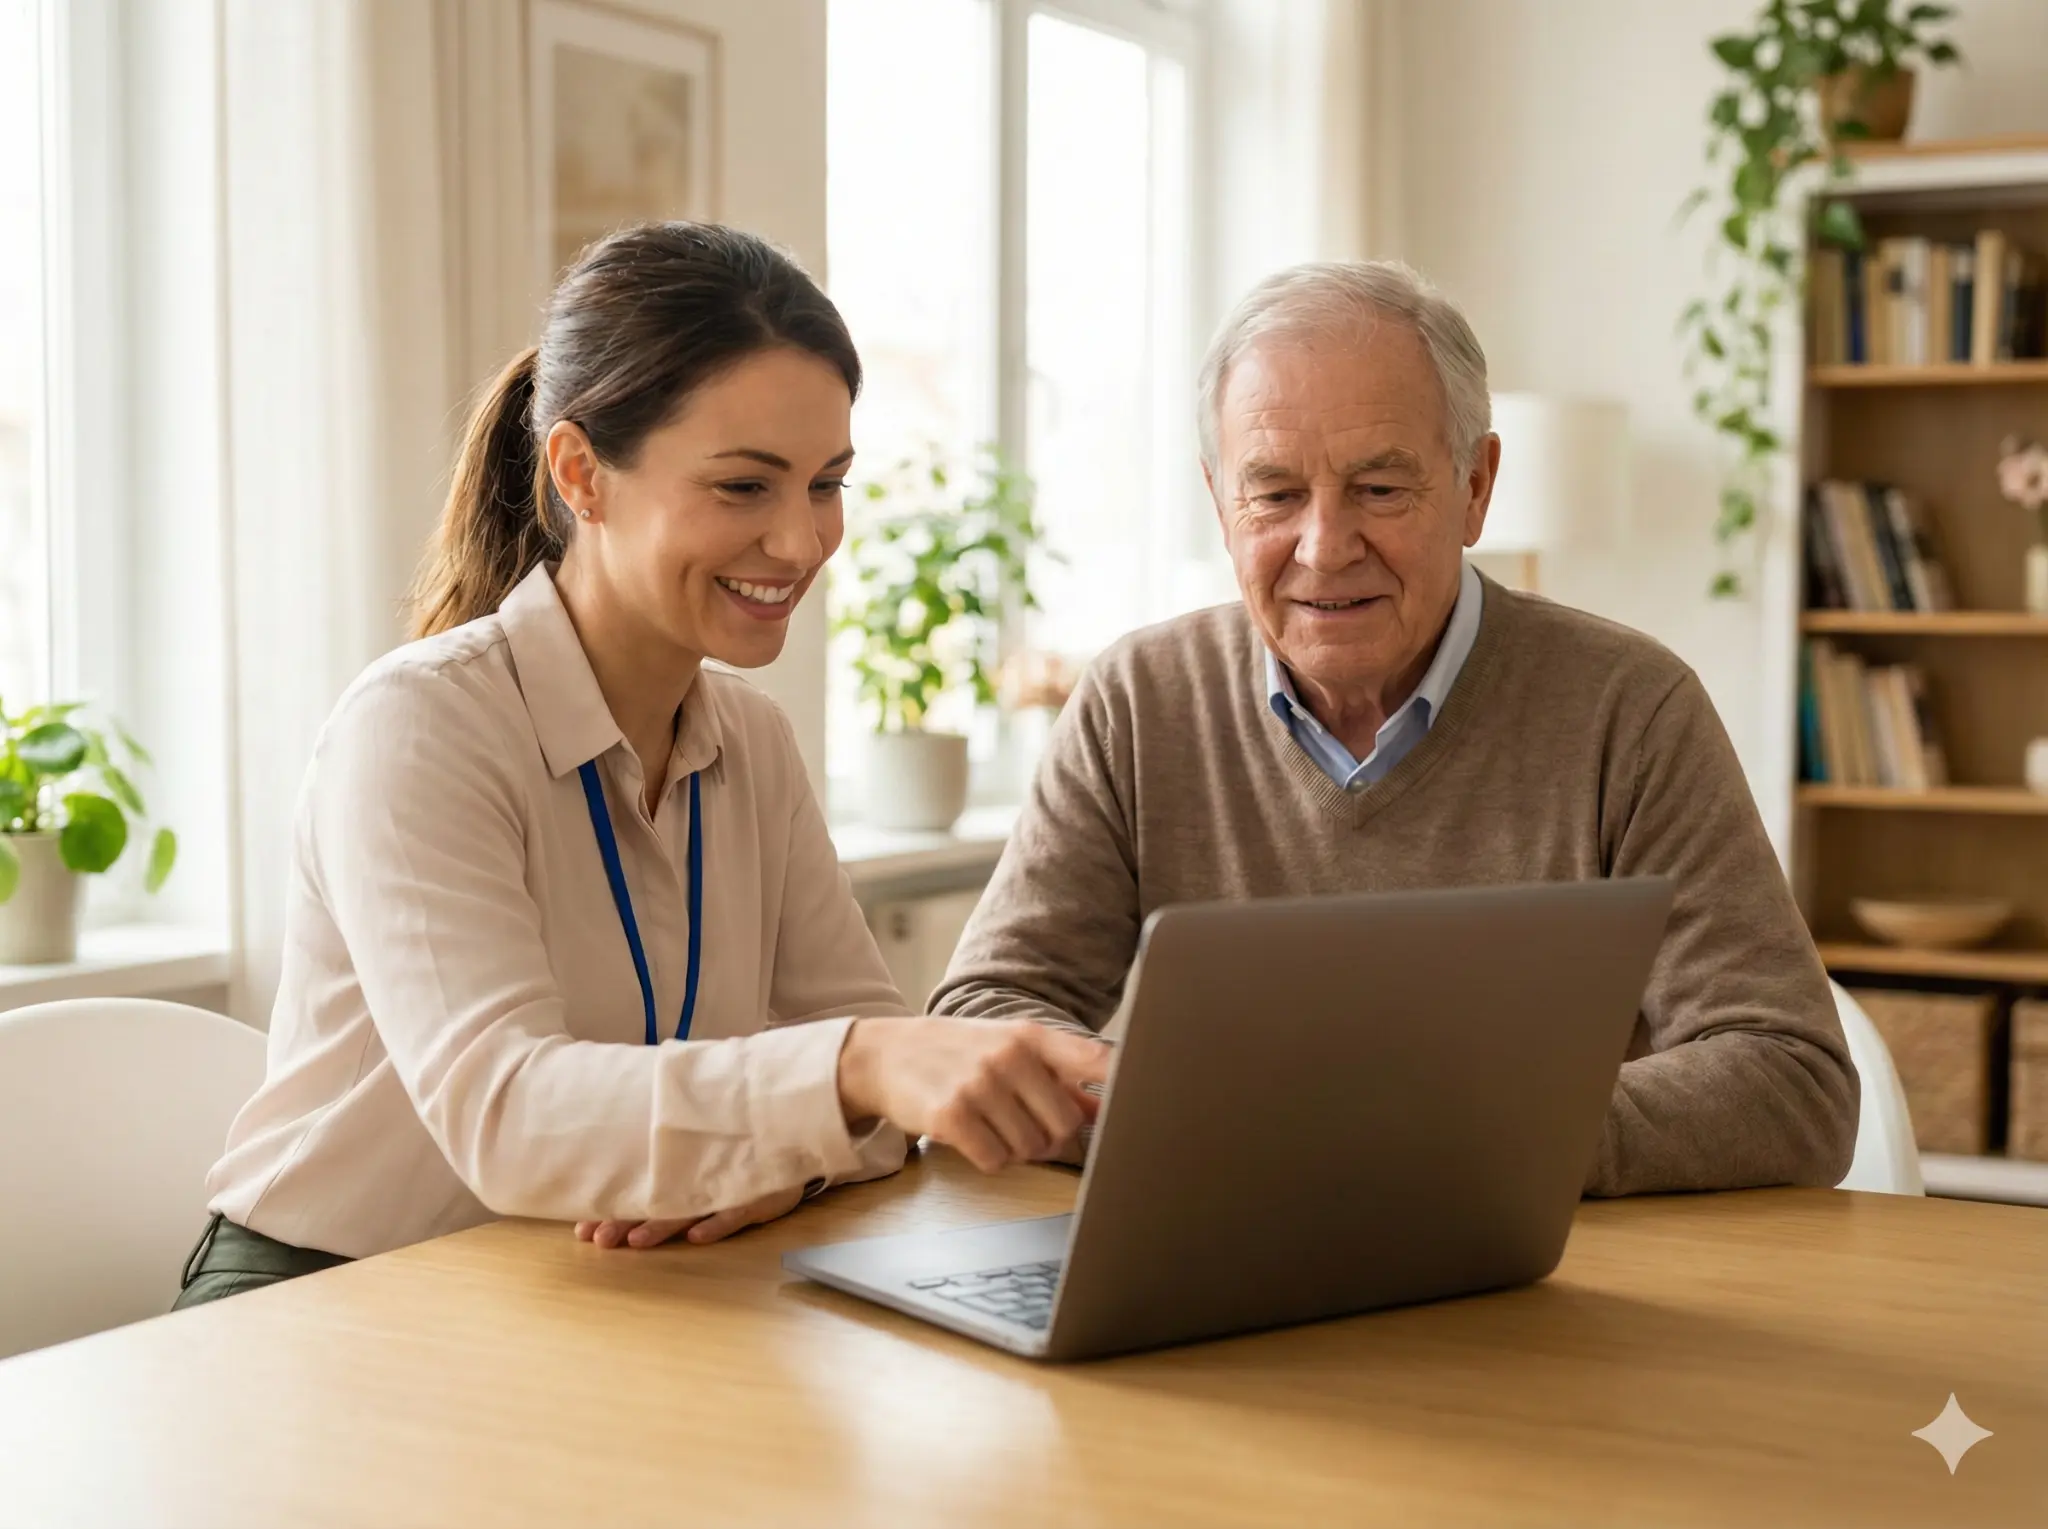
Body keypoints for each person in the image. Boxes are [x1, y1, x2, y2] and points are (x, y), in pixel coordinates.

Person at [177, 224, 1109, 1308]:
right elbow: (508, 1117)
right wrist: (847, 1075)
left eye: (826, 483)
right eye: (744, 486)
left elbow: (881, 1111)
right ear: (582, 473)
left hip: (566, 1288)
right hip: (322, 1295)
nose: (802, 542)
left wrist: (778, 1156)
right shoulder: (419, 727)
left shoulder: (752, 741)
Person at [931, 259, 1858, 1196]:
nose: (1325, 547)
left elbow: (1792, 1078)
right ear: (1219, 502)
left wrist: (1467, 1136)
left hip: (1538, 1264)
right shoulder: (1138, 700)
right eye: (1275, 494)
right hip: (1212, 1239)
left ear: (1475, 487)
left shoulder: (1633, 710)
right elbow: (979, 1013)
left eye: (1379, 489)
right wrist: (1193, 1116)